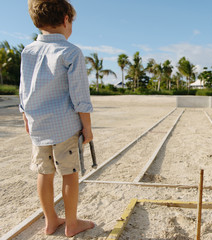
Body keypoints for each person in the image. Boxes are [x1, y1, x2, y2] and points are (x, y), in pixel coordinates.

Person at [19, 0, 95, 237]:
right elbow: (80, 95)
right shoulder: (71, 51)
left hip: (38, 125)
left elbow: (24, 89)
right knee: (70, 174)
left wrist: (26, 118)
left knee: (44, 173)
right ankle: (72, 224)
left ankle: (51, 221)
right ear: (65, 20)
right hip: (65, 125)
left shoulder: (28, 51)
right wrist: (87, 127)